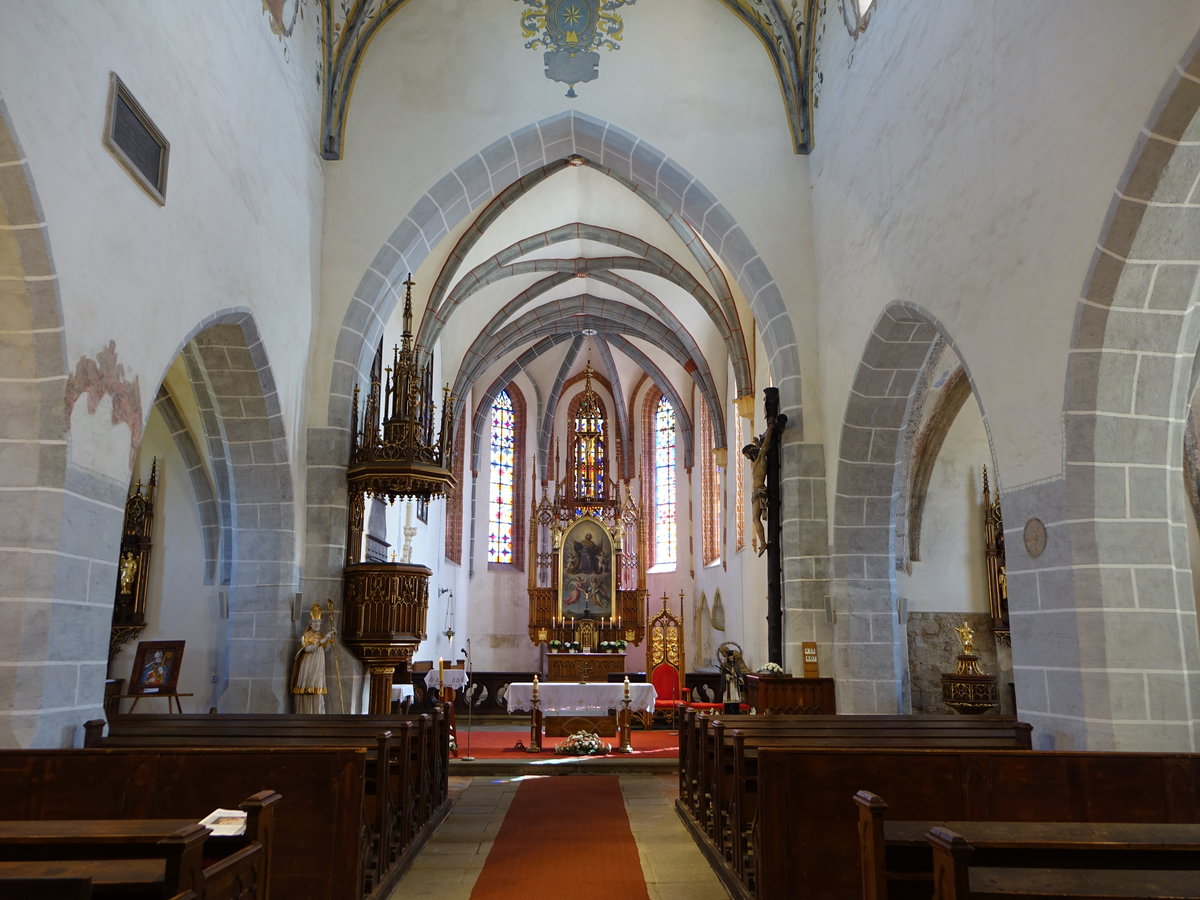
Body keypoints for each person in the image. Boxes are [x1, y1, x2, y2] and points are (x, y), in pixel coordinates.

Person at [292, 603, 337, 714]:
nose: (317, 624)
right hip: (308, 664)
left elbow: (324, 649)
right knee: (308, 688)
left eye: (319, 622)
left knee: (317, 689)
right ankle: (305, 712)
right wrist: (322, 641)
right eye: (315, 622)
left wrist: (330, 641)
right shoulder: (306, 635)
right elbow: (306, 649)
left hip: (319, 664)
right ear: (310, 623)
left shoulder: (321, 635)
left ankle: (317, 712)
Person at [743, 419, 777, 557]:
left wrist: (770, 428)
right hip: (756, 493)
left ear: (751, 453)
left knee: (755, 519)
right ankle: (762, 542)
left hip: (760, 491)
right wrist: (758, 443)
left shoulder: (762, 457)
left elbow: (766, 445)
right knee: (754, 519)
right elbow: (762, 446)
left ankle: (763, 543)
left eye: (747, 456)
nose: (747, 459)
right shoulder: (757, 460)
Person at [718, 647, 744, 714]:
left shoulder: (736, 664)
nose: (731, 659)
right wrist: (728, 676)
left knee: (735, 701)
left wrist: (740, 678)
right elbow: (723, 675)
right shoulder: (725, 665)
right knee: (728, 701)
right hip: (728, 686)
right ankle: (728, 713)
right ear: (728, 659)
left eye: (732, 658)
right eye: (730, 658)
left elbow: (739, 673)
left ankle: (736, 713)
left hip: (735, 684)